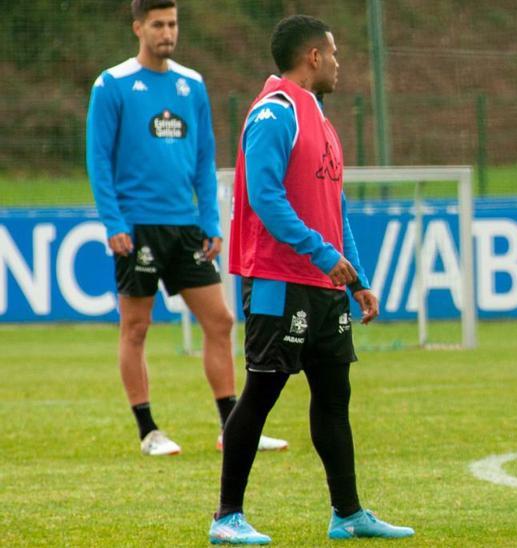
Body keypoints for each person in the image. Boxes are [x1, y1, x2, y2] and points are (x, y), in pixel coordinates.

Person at [208, 14, 413, 544]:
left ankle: (347, 514)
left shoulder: (318, 116)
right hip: (278, 279)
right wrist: (323, 255)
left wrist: (357, 278)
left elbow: (334, 205)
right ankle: (227, 517)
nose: (341, 64)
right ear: (314, 57)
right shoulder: (274, 113)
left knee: (334, 396)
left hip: (323, 285)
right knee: (261, 392)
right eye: (336, 53)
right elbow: (264, 196)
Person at [86, 0, 287, 457]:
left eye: (172, 23)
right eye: (157, 24)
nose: (167, 32)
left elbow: (202, 159)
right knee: (136, 326)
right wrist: (113, 220)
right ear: (138, 27)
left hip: (186, 227)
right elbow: (98, 158)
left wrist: (210, 220)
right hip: (137, 226)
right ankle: (148, 430)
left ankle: (231, 427)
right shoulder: (112, 84)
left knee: (220, 320)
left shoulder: (191, 84)